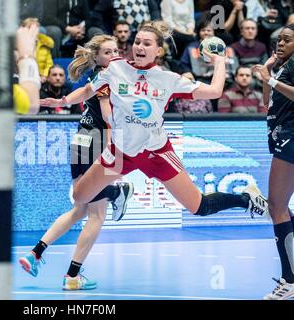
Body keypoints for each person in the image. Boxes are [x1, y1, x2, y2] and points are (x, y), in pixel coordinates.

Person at [41, 21, 269, 238]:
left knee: (199, 206)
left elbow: (215, 91)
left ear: (158, 50)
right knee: (80, 195)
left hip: (156, 154)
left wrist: (219, 62)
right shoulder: (115, 69)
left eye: (147, 43)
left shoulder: (168, 79)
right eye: (137, 42)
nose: (139, 46)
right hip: (120, 153)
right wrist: (63, 102)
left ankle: (245, 198)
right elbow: (89, 90)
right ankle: (119, 192)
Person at [19, 35, 134, 291]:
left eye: (116, 50)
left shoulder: (97, 76)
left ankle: (35, 253)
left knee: (80, 209)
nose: (114, 54)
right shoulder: (109, 77)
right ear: (98, 58)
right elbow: (107, 115)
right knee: (97, 215)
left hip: (80, 140)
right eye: (108, 52)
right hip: (99, 141)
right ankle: (72, 276)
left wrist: (61, 101)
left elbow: (82, 93)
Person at [253, 24, 294, 300]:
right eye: (279, 39)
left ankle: (289, 280)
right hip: (281, 136)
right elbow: (267, 102)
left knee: (277, 206)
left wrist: (270, 78)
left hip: (291, 137)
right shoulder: (282, 65)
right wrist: (267, 74)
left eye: (287, 40)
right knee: (281, 207)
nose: (280, 43)